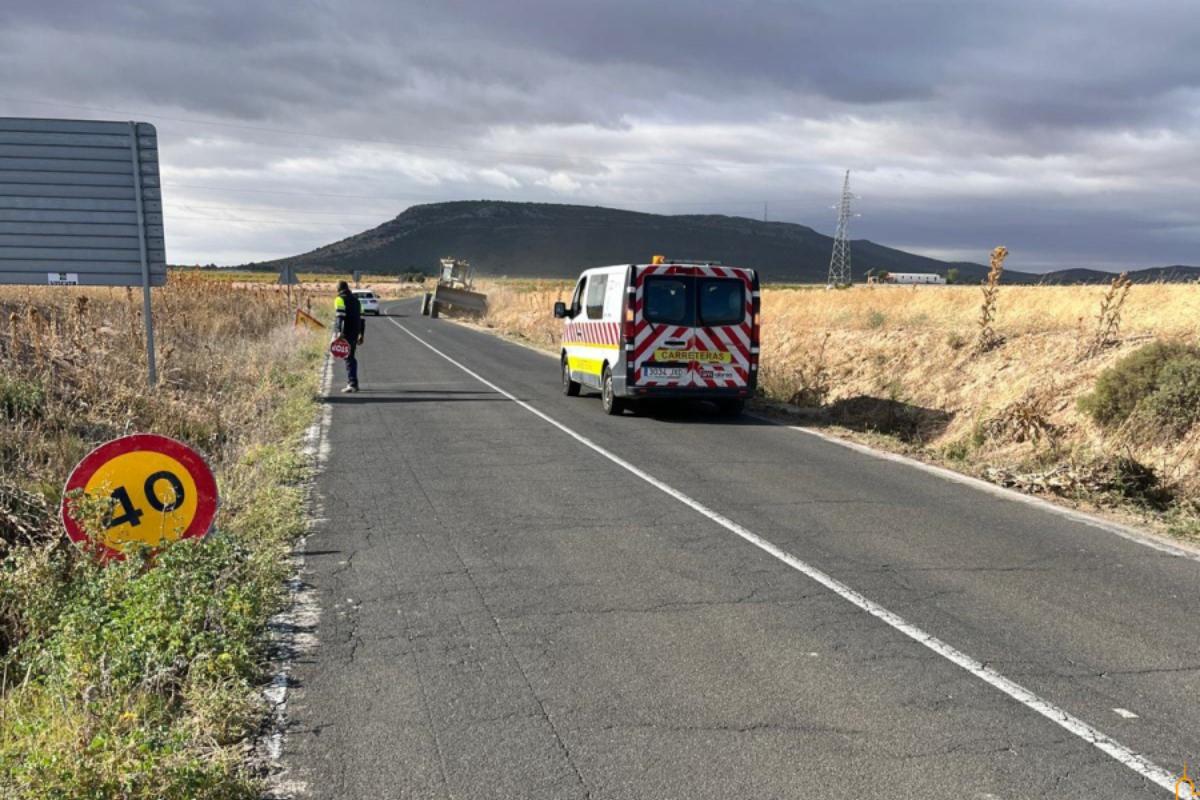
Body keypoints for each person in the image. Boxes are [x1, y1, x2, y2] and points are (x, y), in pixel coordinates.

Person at [334, 280, 365, 392]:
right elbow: (362, 319)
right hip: (355, 332)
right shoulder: (357, 301)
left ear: (338, 289)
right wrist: (362, 334)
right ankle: (353, 383)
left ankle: (352, 384)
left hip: (346, 332)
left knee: (348, 357)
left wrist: (338, 332)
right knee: (350, 356)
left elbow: (340, 316)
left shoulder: (339, 299)